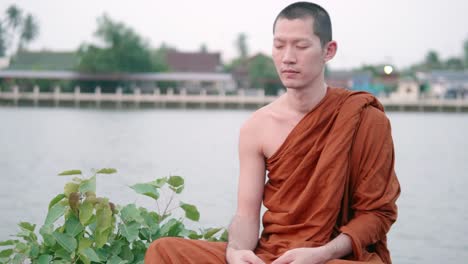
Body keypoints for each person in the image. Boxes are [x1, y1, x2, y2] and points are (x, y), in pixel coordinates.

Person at [144, 2, 400, 263]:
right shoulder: (257, 126)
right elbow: (246, 215)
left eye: (300, 46)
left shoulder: (366, 119)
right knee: (163, 251)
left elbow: (378, 213)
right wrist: (236, 253)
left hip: (332, 256)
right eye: (279, 46)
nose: (288, 57)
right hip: (273, 254)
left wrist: (322, 253)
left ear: (328, 51)